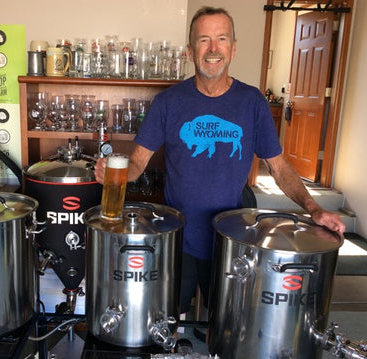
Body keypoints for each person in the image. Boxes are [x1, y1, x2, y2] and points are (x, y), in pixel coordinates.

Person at [94, 6, 346, 314]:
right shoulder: (167, 102)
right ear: (190, 51)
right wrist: (113, 173)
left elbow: (278, 167)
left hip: (232, 239)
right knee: (167, 318)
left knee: (227, 323)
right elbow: (136, 164)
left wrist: (315, 208)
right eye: (204, 40)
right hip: (178, 237)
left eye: (221, 39)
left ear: (233, 48)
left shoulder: (252, 102)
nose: (213, 48)